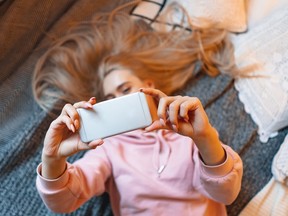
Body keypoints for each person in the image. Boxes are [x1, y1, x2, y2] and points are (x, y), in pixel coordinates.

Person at [33, 3, 243, 216]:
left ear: (149, 87)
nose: (118, 102)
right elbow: (64, 202)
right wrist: (52, 158)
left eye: (125, 89)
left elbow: (225, 194)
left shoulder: (190, 133)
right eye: (110, 99)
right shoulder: (108, 148)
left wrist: (205, 137)